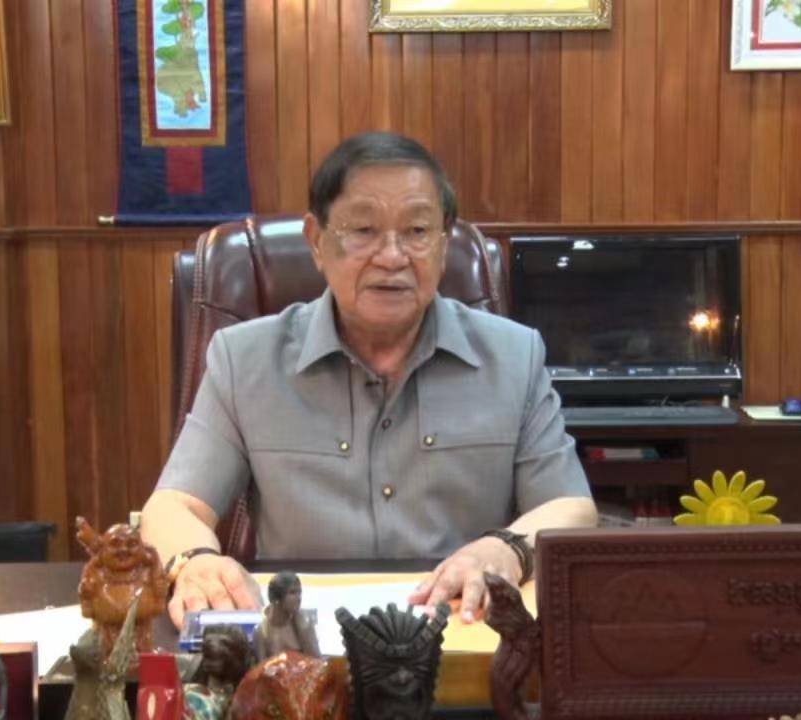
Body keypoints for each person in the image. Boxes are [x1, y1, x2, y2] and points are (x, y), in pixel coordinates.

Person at [141, 131, 596, 627]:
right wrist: (195, 562)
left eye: (417, 231)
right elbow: (172, 506)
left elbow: (570, 506)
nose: (392, 256)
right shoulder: (243, 360)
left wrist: (506, 549)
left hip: (462, 632)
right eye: (363, 230)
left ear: (444, 244)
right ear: (317, 241)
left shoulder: (514, 356)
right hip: (302, 648)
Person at [253, 571, 319, 661]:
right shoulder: (262, 632)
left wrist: (304, 632)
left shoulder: (303, 623)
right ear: (277, 598)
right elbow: (261, 666)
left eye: (299, 592)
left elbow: (316, 661)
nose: (299, 598)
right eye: (292, 592)